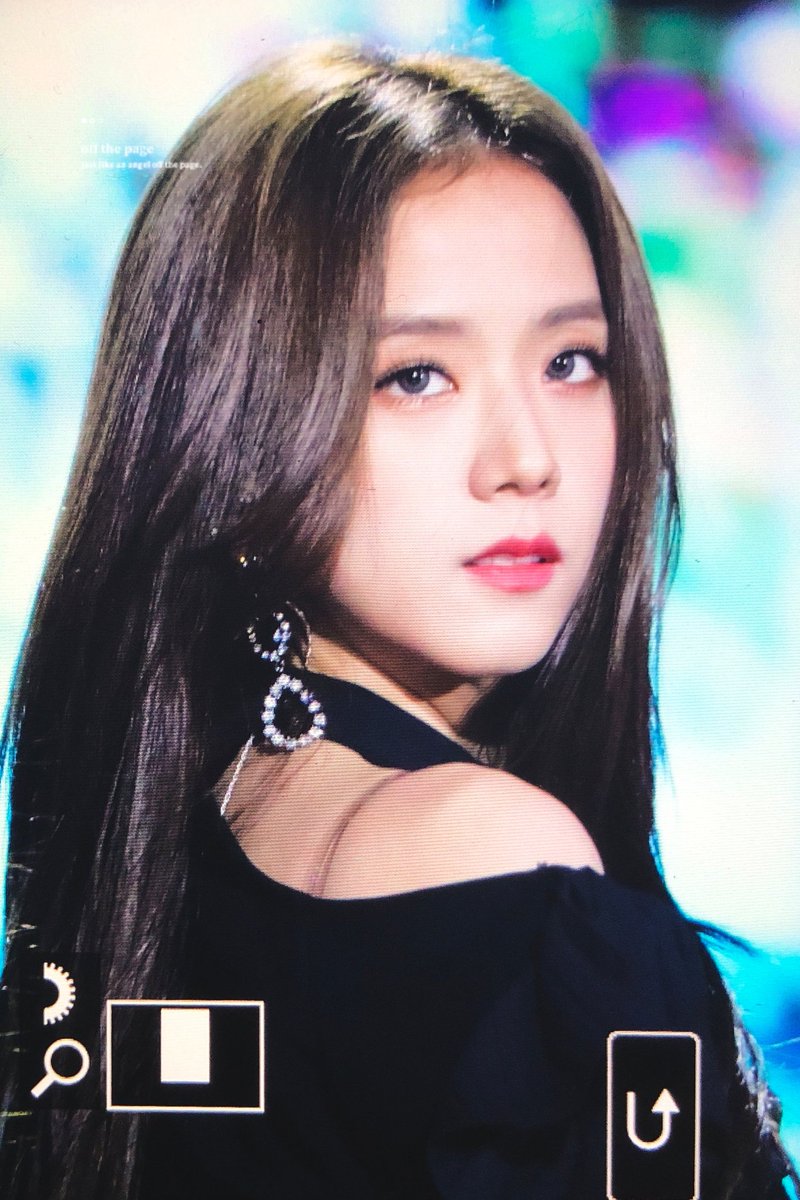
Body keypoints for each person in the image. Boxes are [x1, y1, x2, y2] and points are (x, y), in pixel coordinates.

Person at [0, 40, 797, 1200]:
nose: (524, 458)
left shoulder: (157, 853)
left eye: (571, 362)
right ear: (235, 430)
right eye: (415, 376)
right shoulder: (505, 880)